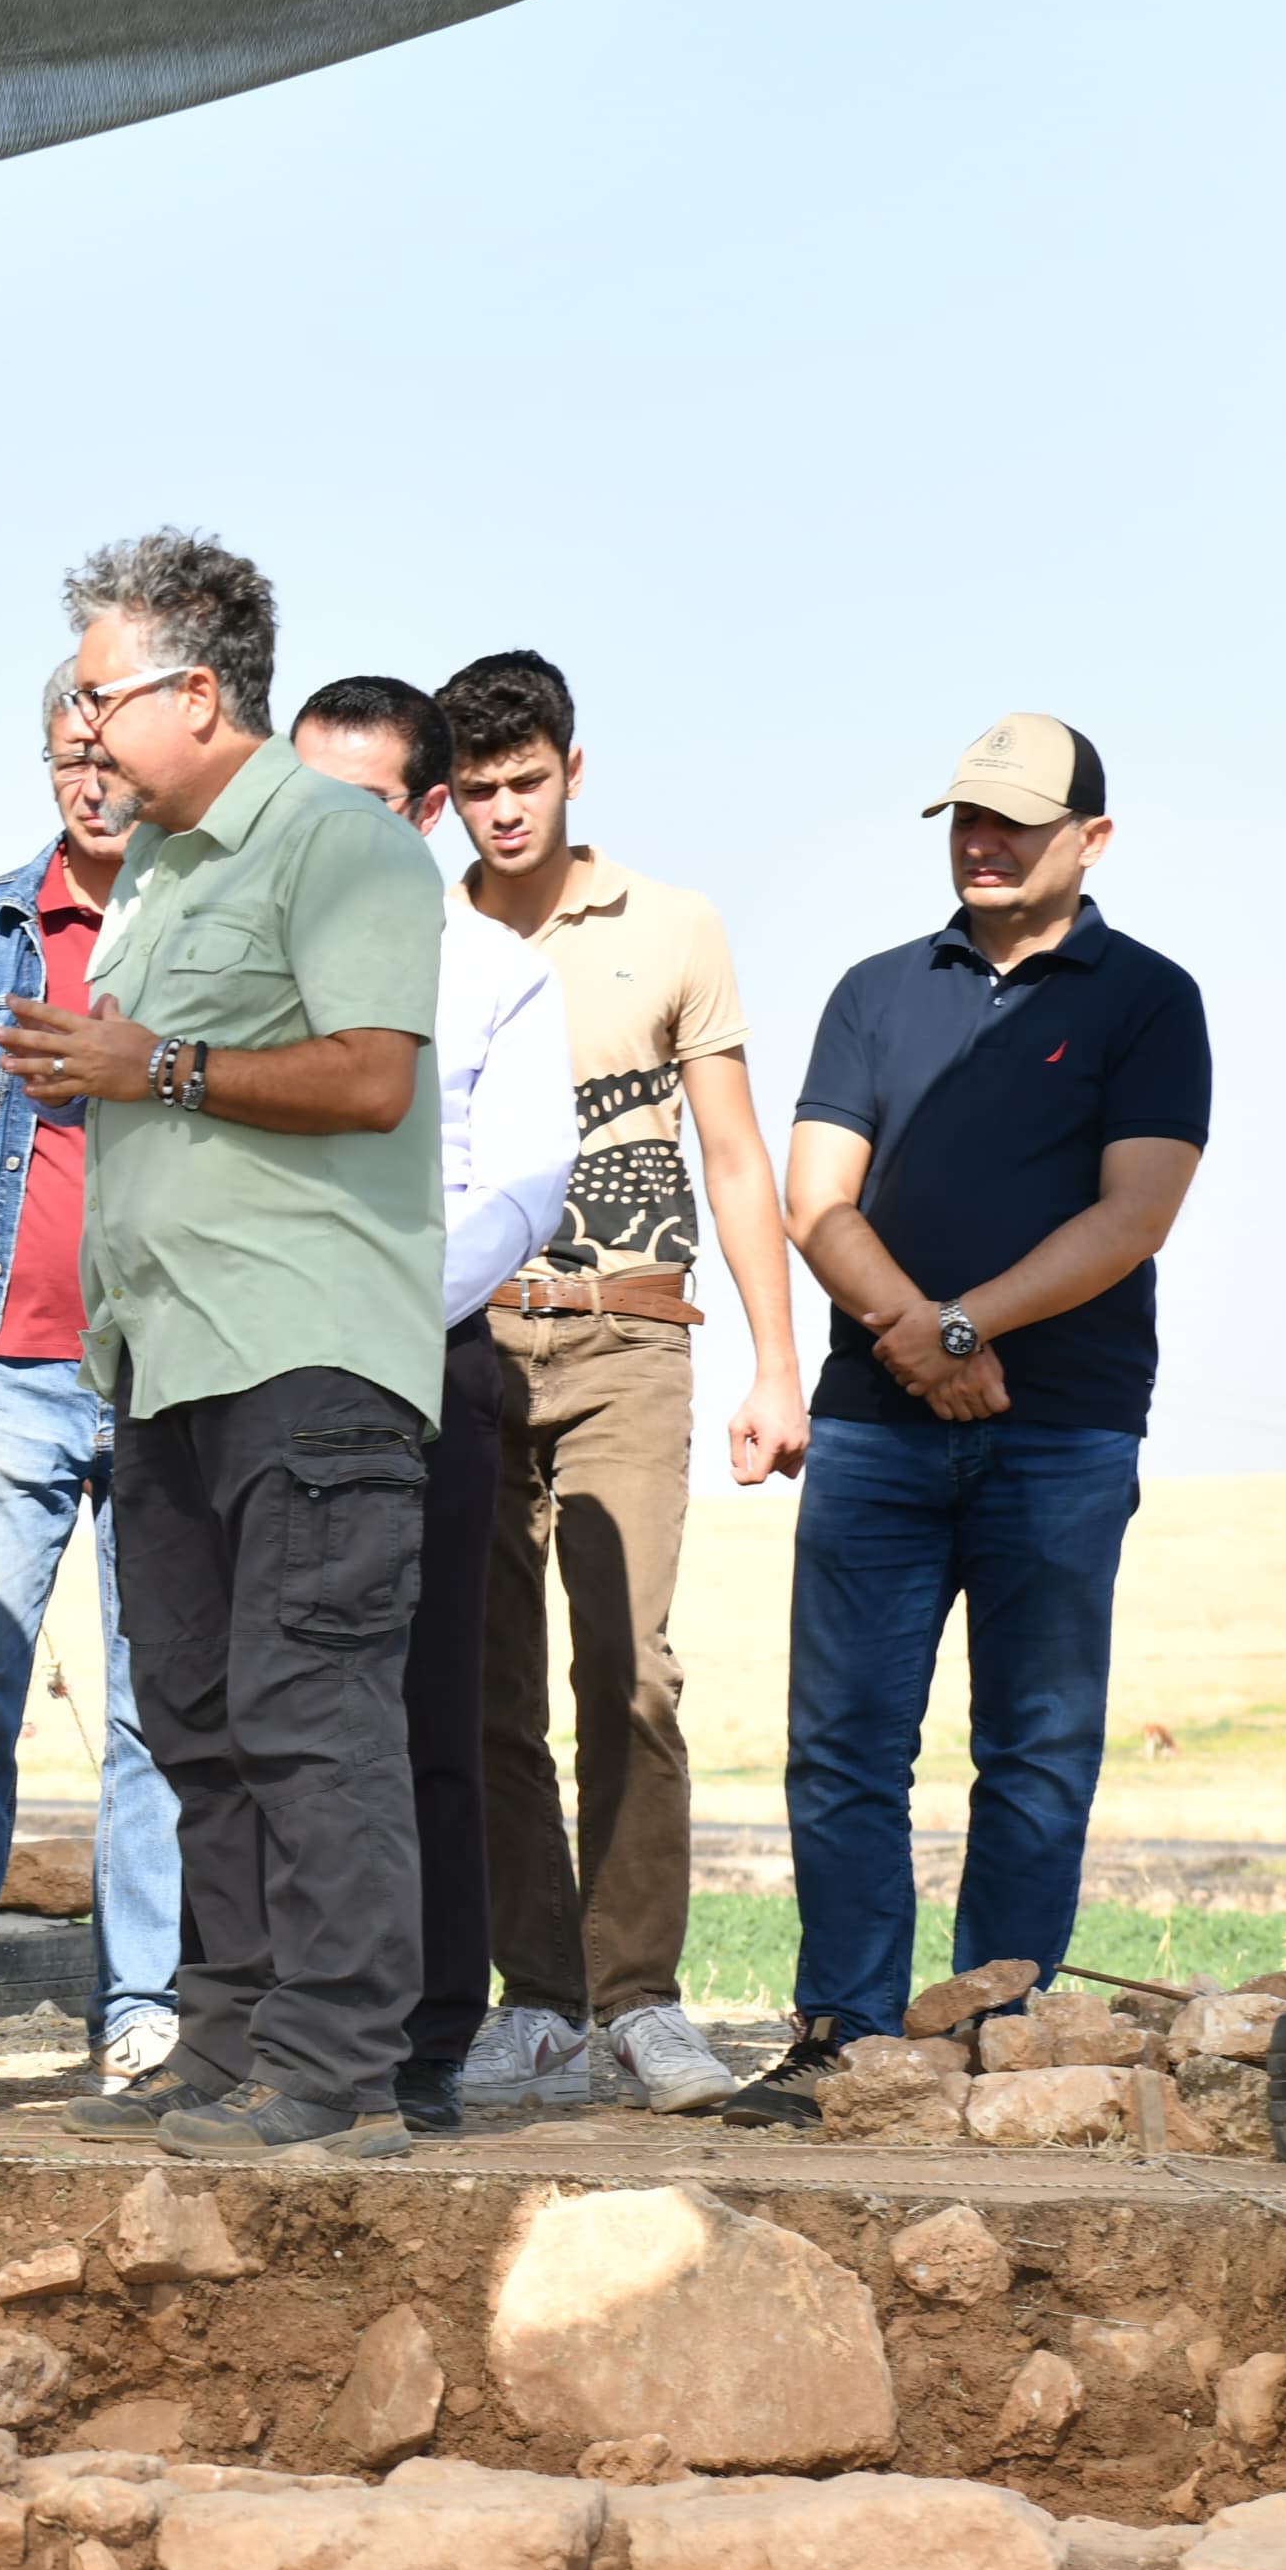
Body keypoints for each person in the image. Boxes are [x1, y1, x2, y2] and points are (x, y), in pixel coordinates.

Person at [3, 532, 443, 2163]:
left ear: (198, 690)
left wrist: (157, 1066)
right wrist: (104, 1070)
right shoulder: (169, 872)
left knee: (309, 1705)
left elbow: (370, 1077)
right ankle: (235, 2042)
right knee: (193, 1714)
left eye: (99, 694)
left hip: (306, 1352)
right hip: (164, 1356)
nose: (83, 727)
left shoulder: (340, 846)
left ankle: (338, 2076)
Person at [722, 717, 1209, 2128]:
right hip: (876, 1426)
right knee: (845, 1742)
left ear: (1091, 841)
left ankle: (997, 2039)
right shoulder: (878, 993)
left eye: (1013, 821)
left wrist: (963, 1326)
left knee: (1038, 1746)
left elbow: (1135, 1213)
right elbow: (820, 1199)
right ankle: (847, 2040)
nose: (981, 843)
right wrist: (925, 1343)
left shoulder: (1148, 1000)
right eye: (964, 820)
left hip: (1061, 1429)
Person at [437, 647, 801, 2119]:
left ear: (572, 772)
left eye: (526, 784)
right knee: (485, 1679)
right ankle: (535, 1999)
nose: (503, 815)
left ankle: (640, 1995)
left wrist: (778, 1363)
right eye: (475, 792)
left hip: (631, 1339)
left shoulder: (673, 925)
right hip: (470, 1336)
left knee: (629, 1668)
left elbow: (730, 1154)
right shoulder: (429, 931)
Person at [0, 665, 181, 2108]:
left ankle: (141, 2005)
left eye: (109, 752)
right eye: (66, 754)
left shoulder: (211, 927)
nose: (88, 778)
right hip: (4, 1364)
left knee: (152, 1709)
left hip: (170, 1372)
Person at [289, 675, 577, 2133]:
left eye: (355, 803)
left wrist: (387, 1304)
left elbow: (525, 1184)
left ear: (420, 808)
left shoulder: (495, 970)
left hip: (424, 1357)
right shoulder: (237, 933)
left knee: (430, 1709)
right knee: (261, 1703)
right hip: (260, 1361)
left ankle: (426, 2035)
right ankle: (276, 2020)